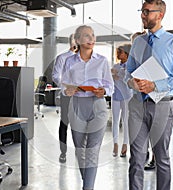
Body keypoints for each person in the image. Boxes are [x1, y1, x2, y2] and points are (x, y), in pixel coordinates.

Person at [126, 1, 173, 190]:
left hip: (162, 105)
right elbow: (128, 71)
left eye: (147, 12)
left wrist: (155, 85)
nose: (142, 15)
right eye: (142, 11)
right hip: (137, 105)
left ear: (160, 14)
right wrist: (131, 81)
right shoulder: (138, 42)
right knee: (136, 159)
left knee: (161, 158)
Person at [61, 25, 114, 190]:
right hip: (76, 106)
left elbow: (110, 86)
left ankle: (87, 188)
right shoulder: (69, 61)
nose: (91, 39)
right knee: (80, 151)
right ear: (77, 40)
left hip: (97, 106)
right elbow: (63, 85)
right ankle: (87, 183)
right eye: (86, 36)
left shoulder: (102, 61)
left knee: (92, 151)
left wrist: (104, 91)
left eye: (92, 35)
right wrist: (67, 89)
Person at [131, 30, 156, 170]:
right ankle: (142, 156)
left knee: (154, 134)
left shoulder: (151, 60)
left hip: (154, 102)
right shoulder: (134, 60)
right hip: (137, 102)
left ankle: (154, 158)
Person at [52, 33, 77, 163]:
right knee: (64, 123)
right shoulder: (62, 58)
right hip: (67, 95)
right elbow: (56, 76)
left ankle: (80, 151)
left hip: (82, 96)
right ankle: (63, 152)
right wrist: (66, 87)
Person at [111, 44, 132, 157]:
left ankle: (125, 144)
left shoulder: (130, 66)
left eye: (121, 52)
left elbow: (128, 82)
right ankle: (115, 144)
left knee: (125, 121)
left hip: (126, 97)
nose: (118, 54)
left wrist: (118, 75)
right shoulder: (115, 66)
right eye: (118, 52)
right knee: (115, 121)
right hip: (115, 96)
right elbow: (111, 81)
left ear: (127, 53)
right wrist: (112, 76)